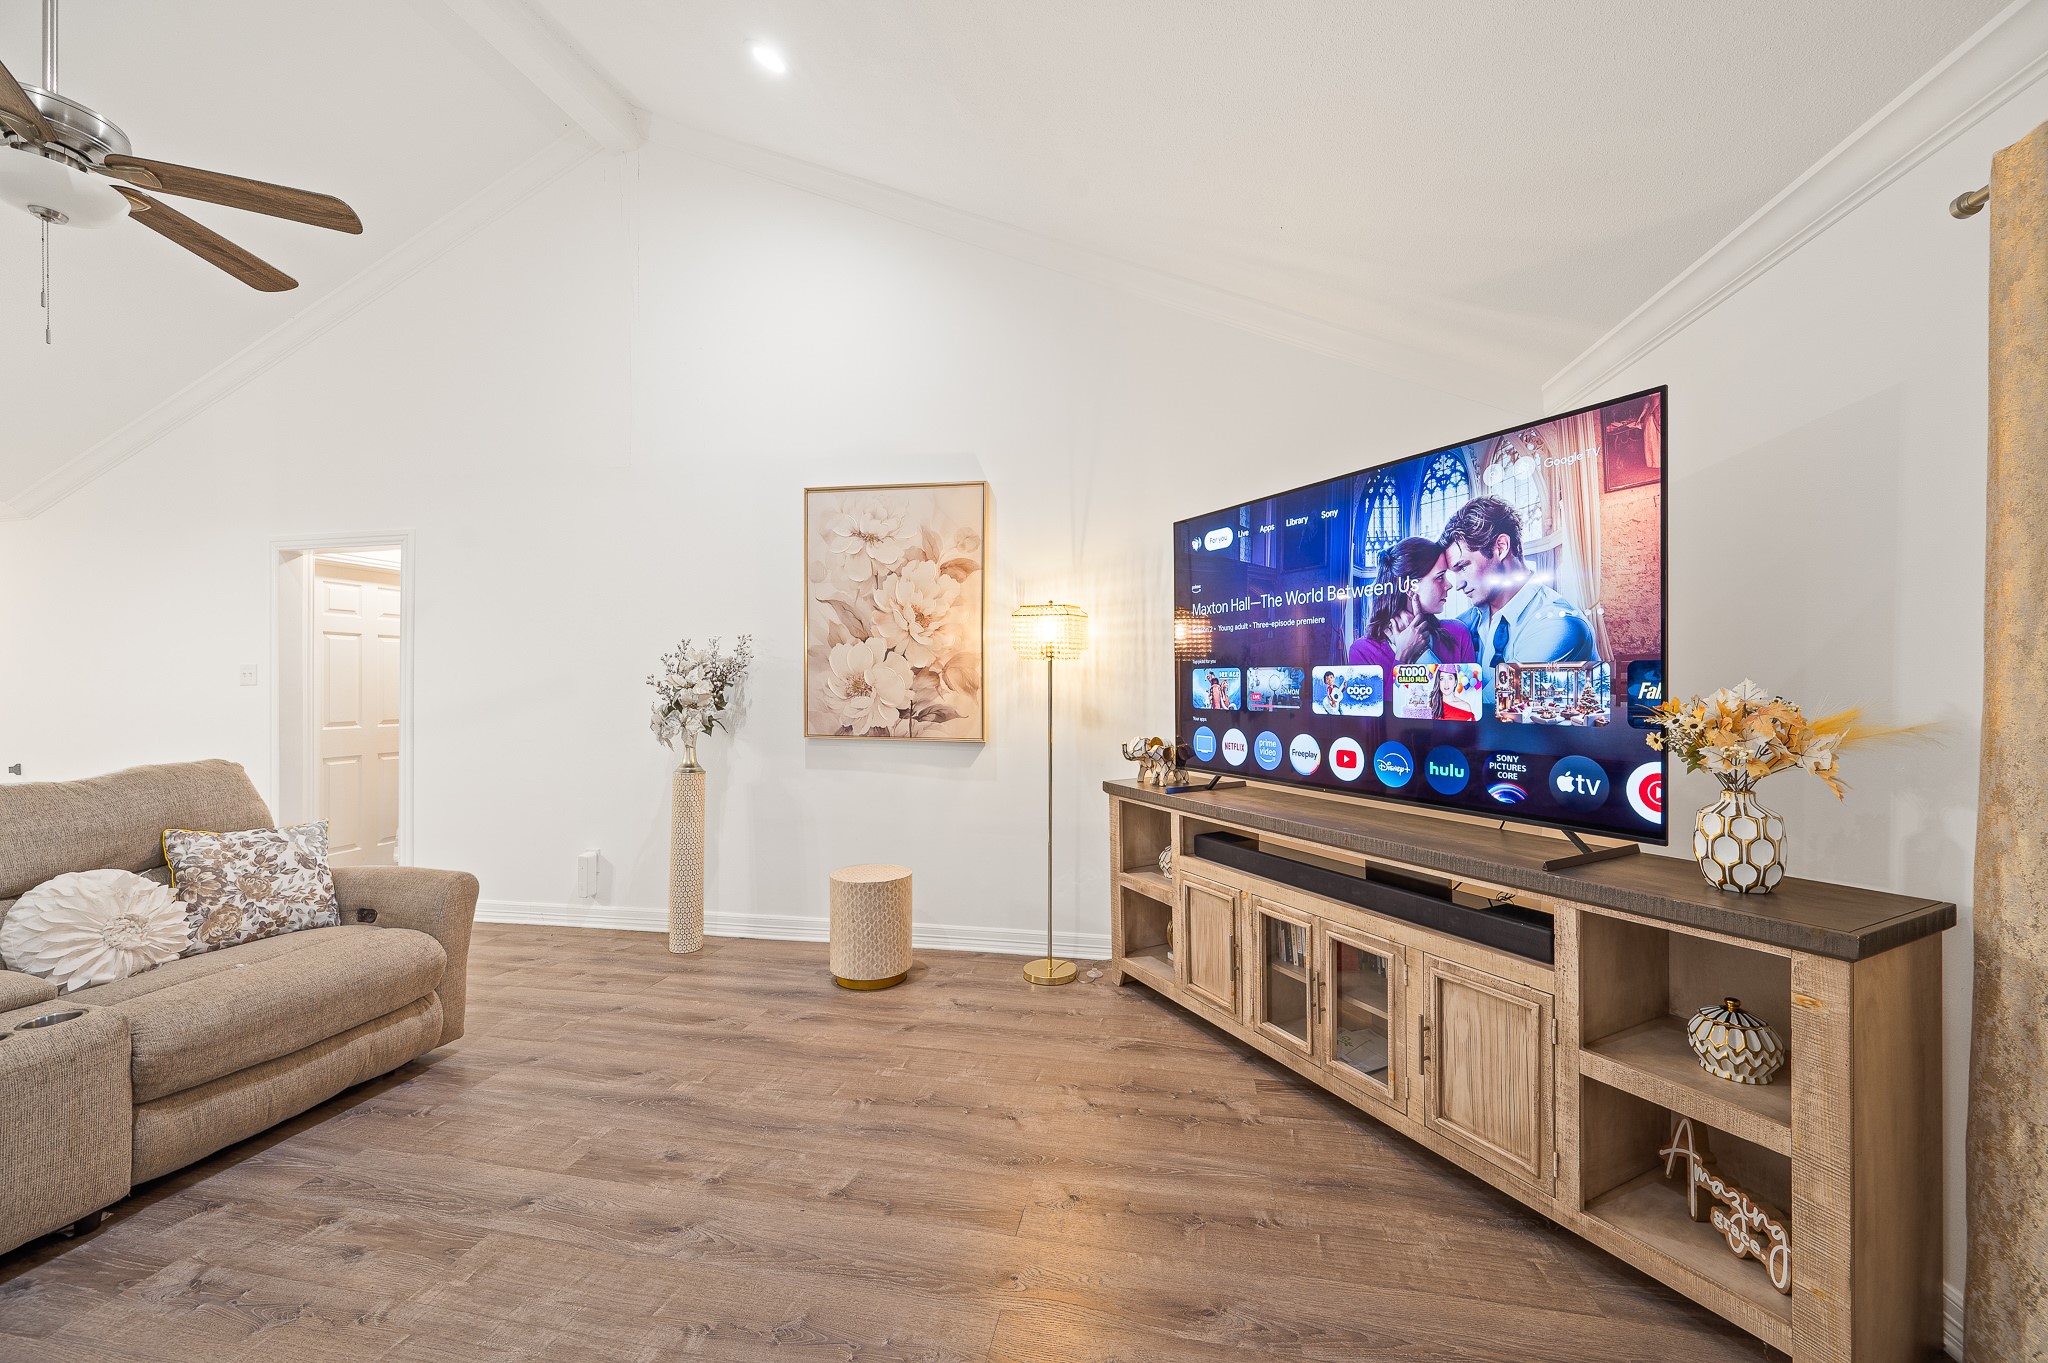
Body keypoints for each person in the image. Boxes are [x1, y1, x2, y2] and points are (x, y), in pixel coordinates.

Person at [1440, 496, 1598, 670]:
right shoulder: (1466, 622)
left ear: (1501, 547)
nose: (1458, 584)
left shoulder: (1560, 626)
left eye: (1462, 567)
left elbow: (1489, 697)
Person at [1347, 538, 1478, 674]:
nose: (1449, 585)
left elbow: (1466, 695)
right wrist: (1403, 657)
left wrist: (1423, 655)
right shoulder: (1363, 651)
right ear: (1409, 587)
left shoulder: (1457, 633)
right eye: (1440, 577)